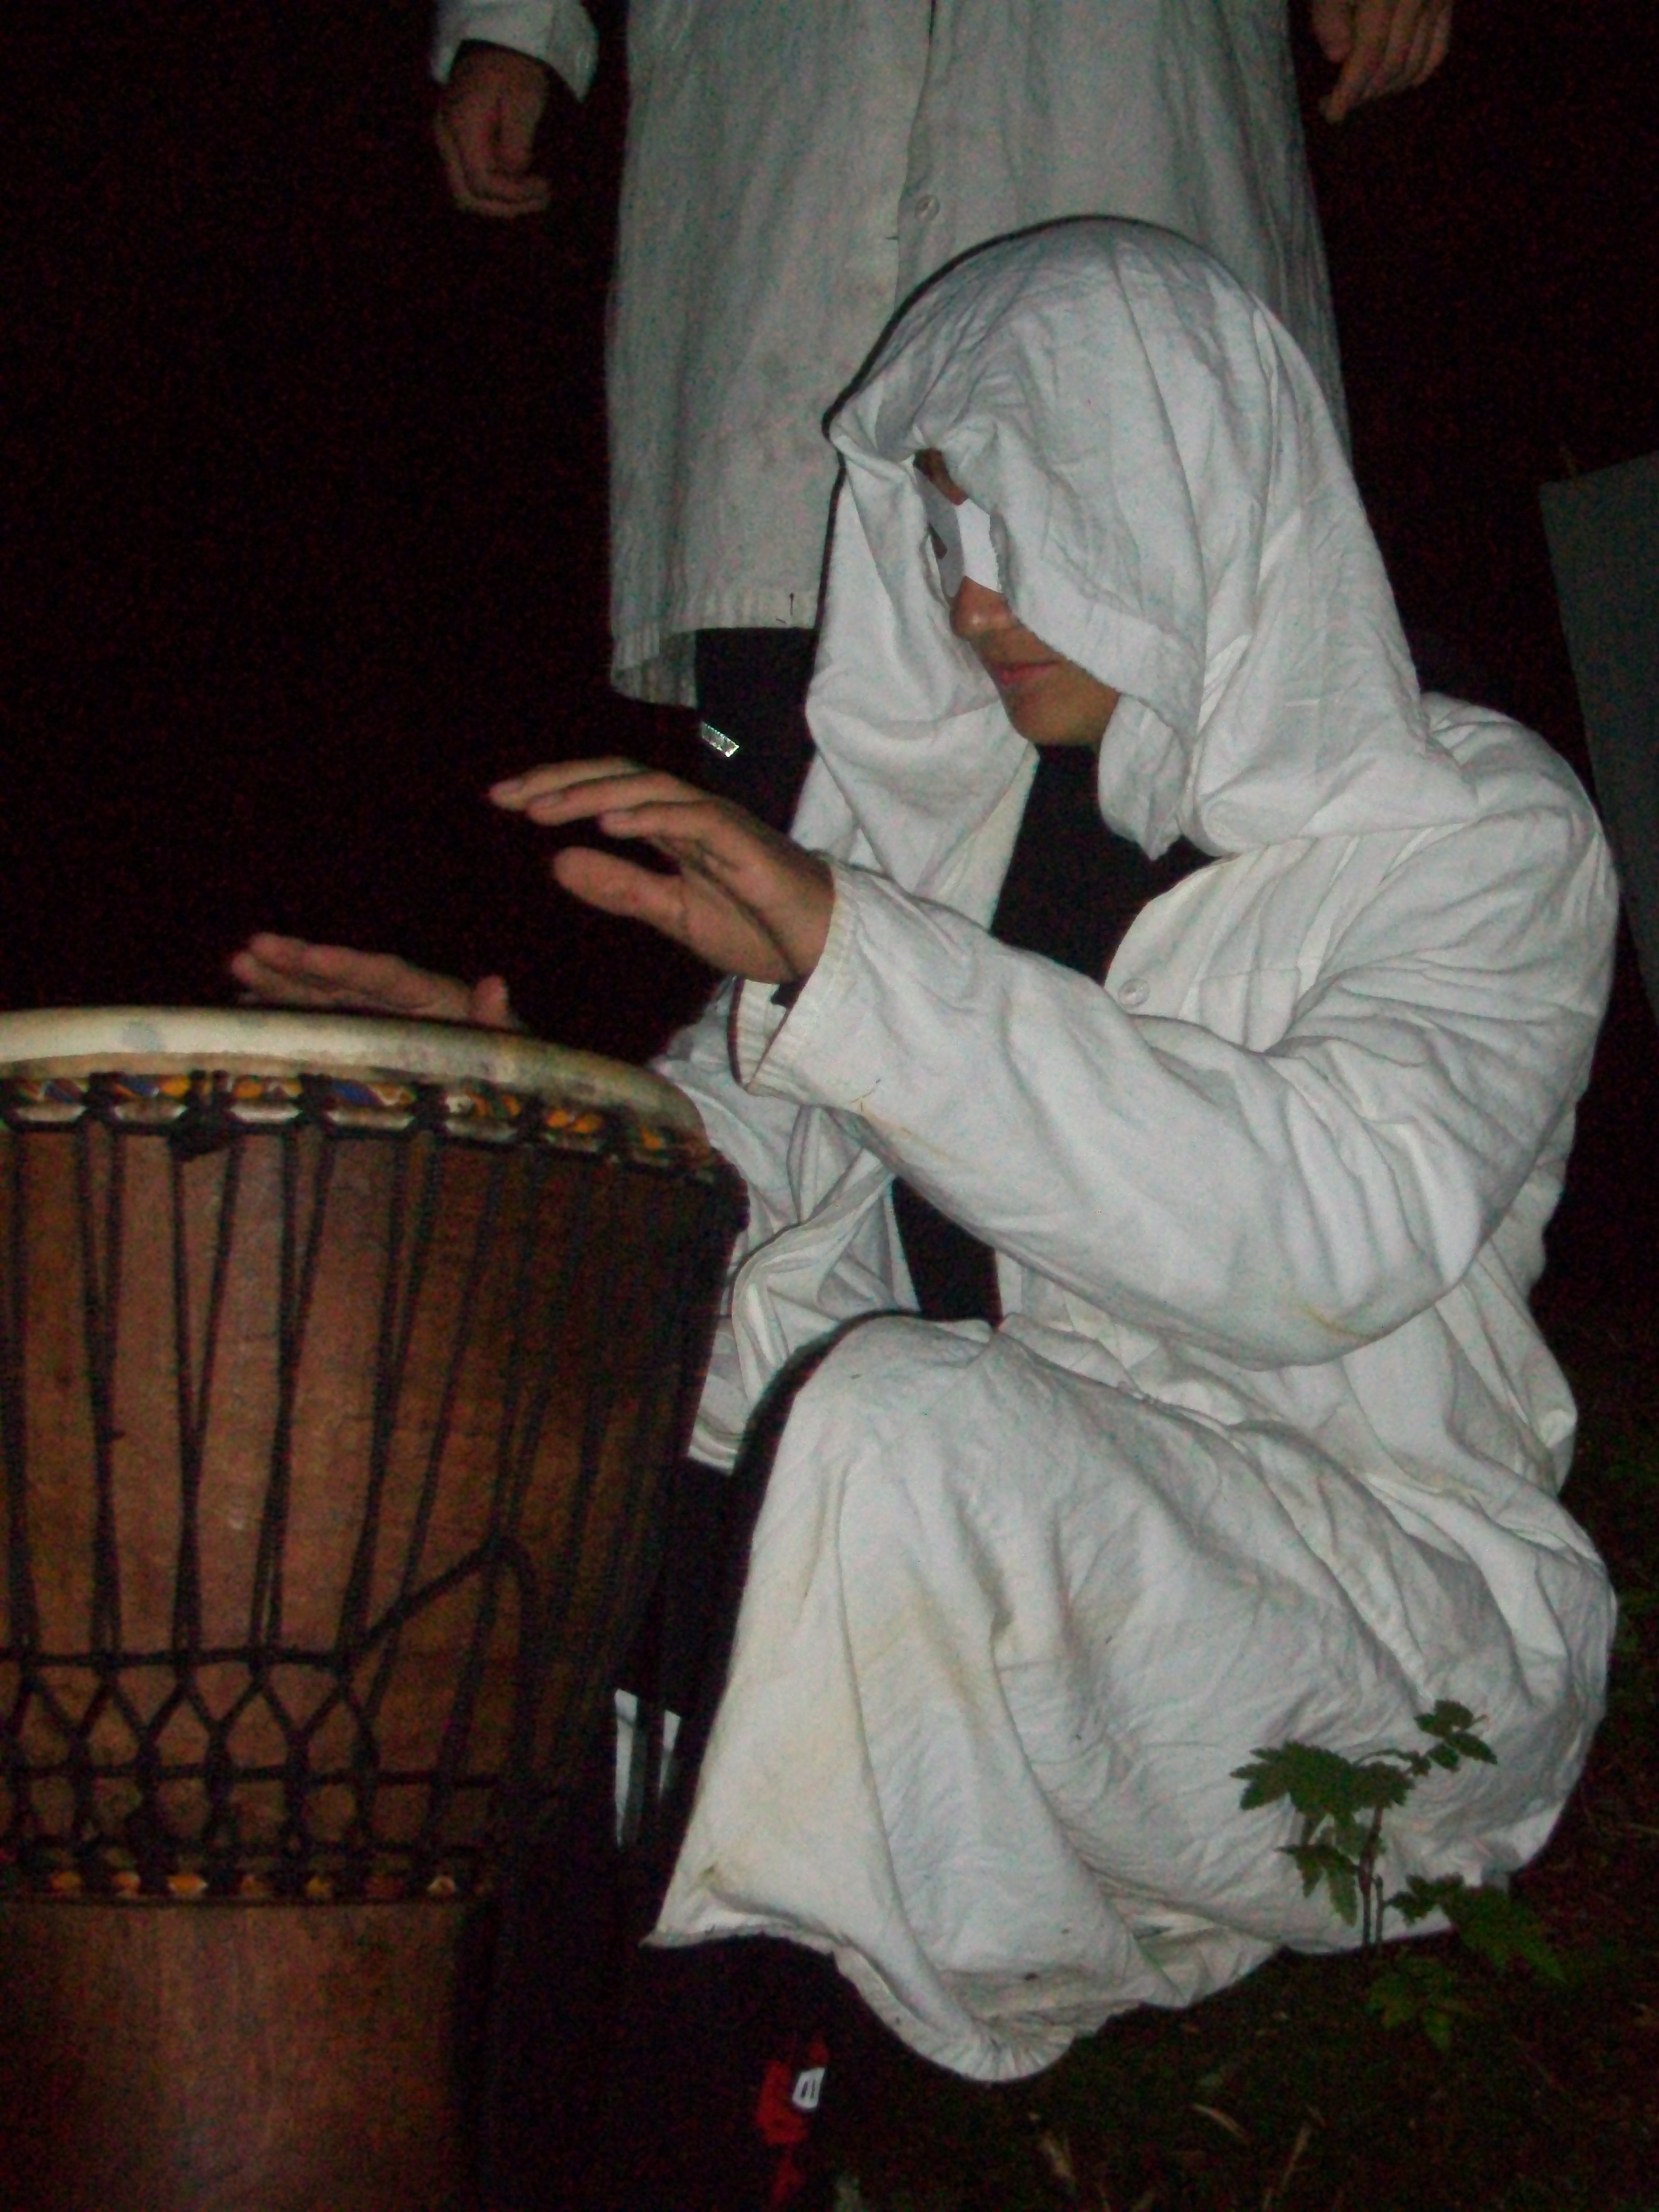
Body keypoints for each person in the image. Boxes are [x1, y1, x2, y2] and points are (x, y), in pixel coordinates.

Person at [238, 219, 1614, 2201]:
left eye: (1021, 515)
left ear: (1176, 481)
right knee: (517, 1428)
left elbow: (1323, 1227)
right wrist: (521, 1100)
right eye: (940, 518)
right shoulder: (930, 830)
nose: (969, 594)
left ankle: (723, 2128)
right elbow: (728, 1184)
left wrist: (853, 965)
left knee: (896, 1432)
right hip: (950, 1558)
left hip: (1342, 1612)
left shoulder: (1466, 833)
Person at [428, 0, 1453, 825]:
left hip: (1114, 123)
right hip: (778, 249)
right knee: (787, 833)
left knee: (1160, 827)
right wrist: (511, 23)